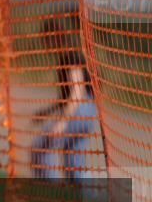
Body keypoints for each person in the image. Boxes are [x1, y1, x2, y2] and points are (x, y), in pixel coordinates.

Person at [31, 49, 104, 185]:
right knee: (74, 159)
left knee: (42, 147)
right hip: (89, 110)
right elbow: (67, 97)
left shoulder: (71, 55)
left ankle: (51, 190)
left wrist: (63, 122)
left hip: (79, 109)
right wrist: (46, 112)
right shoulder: (72, 53)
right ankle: (90, 196)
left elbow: (77, 90)